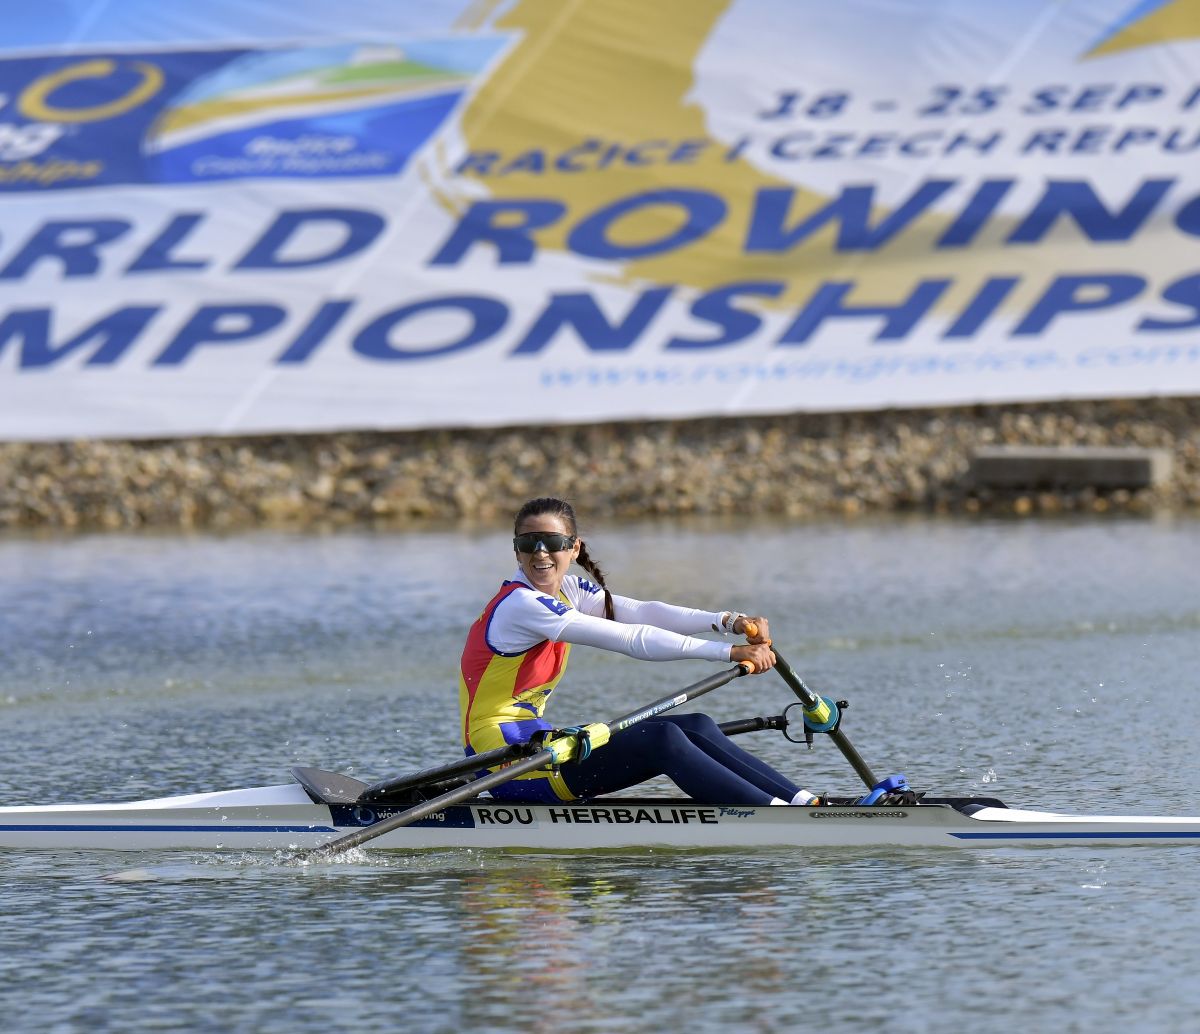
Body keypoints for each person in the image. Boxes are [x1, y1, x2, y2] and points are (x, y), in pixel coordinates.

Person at [458, 497, 818, 807]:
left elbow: (645, 613)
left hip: (535, 740)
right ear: (516, 548)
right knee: (662, 740)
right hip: (502, 760)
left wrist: (728, 620)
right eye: (528, 542)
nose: (540, 552)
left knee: (696, 724)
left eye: (551, 541)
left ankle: (803, 803)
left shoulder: (568, 588)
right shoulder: (522, 604)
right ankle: (776, 815)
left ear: (573, 547)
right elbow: (631, 639)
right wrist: (728, 654)